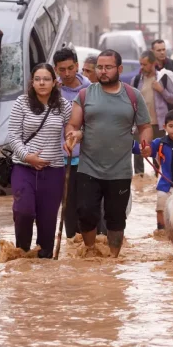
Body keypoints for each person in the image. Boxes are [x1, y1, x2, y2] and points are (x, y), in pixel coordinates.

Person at [64, 49, 152, 257]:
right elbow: (73, 124)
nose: (103, 71)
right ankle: (91, 251)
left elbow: (145, 126)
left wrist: (146, 144)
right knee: (85, 213)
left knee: (116, 218)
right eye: (100, 67)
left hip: (119, 170)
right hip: (88, 168)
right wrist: (72, 136)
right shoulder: (85, 95)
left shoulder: (133, 95)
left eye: (108, 67)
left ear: (119, 69)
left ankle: (113, 259)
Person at [8, 63, 72, 259]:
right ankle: (22, 255)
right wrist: (28, 157)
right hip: (24, 168)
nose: (42, 83)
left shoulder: (64, 105)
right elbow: (13, 135)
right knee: (24, 211)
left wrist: (71, 139)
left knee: (48, 222)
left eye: (46, 79)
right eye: (37, 79)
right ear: (32, 82)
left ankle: (44, 268)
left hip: (54, 171)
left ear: (54, 82)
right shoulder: (22, 103)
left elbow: (72, 128)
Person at [53, 48, 90, 239]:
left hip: (87, 158)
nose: (66, 74)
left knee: (87, 206)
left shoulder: (90, 90)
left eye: (70, 68)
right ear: (56, 69)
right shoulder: (52, 92)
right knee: (67, 207)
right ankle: (72, 243)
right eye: (62, 70)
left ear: (77, 66)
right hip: (61, 158)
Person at [131, 50, 173, 176]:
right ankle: (140, 183)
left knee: (158, 155)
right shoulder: (135, 80)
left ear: (153, 64)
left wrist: (161, 90)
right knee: (138, 155)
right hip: (140, 124)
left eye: (145, 64)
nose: (142, 67)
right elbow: (130, 102)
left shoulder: (163, 78)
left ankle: (158, 181)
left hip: (158, 124)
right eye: (140, 64)